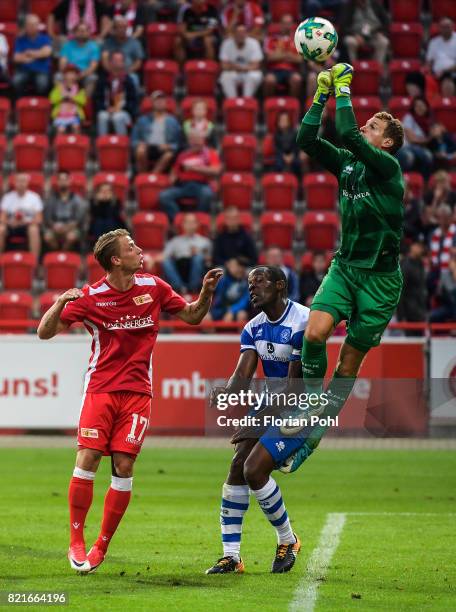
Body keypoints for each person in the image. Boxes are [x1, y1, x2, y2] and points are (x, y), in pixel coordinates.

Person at [36, 228, 223, 573]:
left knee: (123, 467)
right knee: (88, 457)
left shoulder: (154, 287)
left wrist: (207, 294)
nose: (139, 250)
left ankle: (101, 546)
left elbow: (193, 315)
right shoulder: (90, 296)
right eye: (131, 247)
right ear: (116, 260)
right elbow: (44, 332)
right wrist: (61, 302)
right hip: (101, 390)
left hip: (138, 393)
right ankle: (76, 540)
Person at [289, 62, 405, 473]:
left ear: (388, 143)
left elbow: (347, 134)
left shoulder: (388, 169)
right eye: (368, 123)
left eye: (374, 127)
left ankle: (312, 440)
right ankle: (305, 407)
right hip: (346, 268)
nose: (366, 128)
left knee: (348, 366)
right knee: (315, 332)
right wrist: (321, 94)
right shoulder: (349, 164)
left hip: (381, 281)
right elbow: (306, 139)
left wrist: (343, 90)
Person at [205, 266, 309, 574]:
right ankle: (231, 556)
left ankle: (287, 539)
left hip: (301, 407)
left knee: (254, 469)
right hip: (269, 404)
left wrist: (257, 416)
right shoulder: (253, 327)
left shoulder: (304, 320)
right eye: (249, 284)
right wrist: (224, 392)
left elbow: (294, 387)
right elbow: (242, 375)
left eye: (259, 282)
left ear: (280, 285)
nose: (252, 288)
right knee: (238, 466)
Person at [159, 129, 221, 222]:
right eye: (193, 140)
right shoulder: (183, 155)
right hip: (183, 186)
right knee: (164, 196)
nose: (196, 142)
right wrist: (172, 177)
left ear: (202, 140)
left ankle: (198, 221)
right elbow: (175, 171)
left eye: (198, 139)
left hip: (202, 184)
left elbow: (216, 171)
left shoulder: (210, 153)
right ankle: (180, 221)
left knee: (207, 194)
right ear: (189, 142)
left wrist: (194, 169)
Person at [131, 90, 182, 173]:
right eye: (157, 100)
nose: (159, 102)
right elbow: (134, 140)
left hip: (163, 149)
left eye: (162, 100)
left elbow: (178, 144)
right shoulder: (142, 120)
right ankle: (143, 176)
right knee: (140, 151)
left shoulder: (173, 121)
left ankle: (153, 176)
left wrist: (169, 146)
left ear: (165, 103)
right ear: (152, 103)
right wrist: (140, 144)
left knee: (168, 155)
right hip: (148, 147)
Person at [160, 212, 212, 293]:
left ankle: (193, 288)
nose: (190, 225)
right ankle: (180, 288)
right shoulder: (175, 241)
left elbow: (210, 261)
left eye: (193, 222)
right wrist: (152, 260)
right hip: (179, 270)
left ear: (197, 224)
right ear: (183, 224)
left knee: (198, 258)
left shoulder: (205, 241)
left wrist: (200, 253)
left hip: (195, 270)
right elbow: (164, 256)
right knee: (166, 262)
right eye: (188, 222)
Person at [94, 51, 138, 136]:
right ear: (110, 62)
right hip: (106, 110)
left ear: (123, 63)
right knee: (102, 116)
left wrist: (119, 109)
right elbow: (97, 99)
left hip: (124, 111)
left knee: (117, 117)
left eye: (120, 60)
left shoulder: (128, 80)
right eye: (115, 60)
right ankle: (102, 143)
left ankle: (122, 144)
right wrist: (105, 108)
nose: (118, 63)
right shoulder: (103, 80)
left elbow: (133, 101)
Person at [0, 174, 43, 259]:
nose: (21, 183)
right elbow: (2, 217)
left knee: (34, 229)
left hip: (27, 225)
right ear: (15, 183)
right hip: (11, 226)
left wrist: (27, 222)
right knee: (0, 229)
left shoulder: (34, 197)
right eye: (18, 181)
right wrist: (10, 222)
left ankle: (34, 263)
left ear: (27, 183)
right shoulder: (7, 197)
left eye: (23, 181)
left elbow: (39, 219)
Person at [44, 171, 87, 251]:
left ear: (69, 181)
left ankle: (64, 253)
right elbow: (47, 218)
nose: (63, 182)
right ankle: (56, 252)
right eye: (60, 180)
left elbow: (79, 219)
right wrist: (53, 226)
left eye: (65, 179)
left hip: (71, 227)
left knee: (71, 237)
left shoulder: (77, 199)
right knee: (47, 237)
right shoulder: (51, 199)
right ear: (57, 182)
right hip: (54, 227)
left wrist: (67, 227)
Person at [263, 14, 302, 98]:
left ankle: (293, 105)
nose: (286, 26)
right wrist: (288, 55)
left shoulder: (297, 40)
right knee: (269, 80)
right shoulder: (271, 39)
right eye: (284, 23)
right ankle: (269, 105)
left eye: (288, 23)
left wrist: (280, 55)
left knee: (297, 79)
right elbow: (269, 58)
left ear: (292, 25)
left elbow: (299, 59)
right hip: (274, 70)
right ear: (280, 24)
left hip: (291, 70)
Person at [13, 14, 52, 97]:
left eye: (35, 24)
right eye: (30, 25)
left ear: (38, 26)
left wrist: (29, 53)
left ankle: (39, 103)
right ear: (26, 26)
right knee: (16, 80)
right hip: (24, 70)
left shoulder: (45, 38)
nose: (32, 27)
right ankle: (21, 102)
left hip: (41, 70)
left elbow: (47, 53)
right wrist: (39, 54)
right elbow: (16, 58)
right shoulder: (20, 39)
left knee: (42, 83)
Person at [219, 24, 263, 98]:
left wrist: (238, 67)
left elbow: (256, 65)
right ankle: (232, 101)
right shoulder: (226, 43)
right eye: (238, 32)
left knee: (254, 76)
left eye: (243, 32)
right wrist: (239, 68)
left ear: (247, 34)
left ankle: (247, 100)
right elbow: (224, 65)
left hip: (248, 72)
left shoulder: (254, 43)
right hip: (233, 72)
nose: (241, 35)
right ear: (234, 34)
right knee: (225, 76)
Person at [101, 15, 144, 90]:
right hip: (110, 73)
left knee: (134, 78)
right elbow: (104, 59)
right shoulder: (108, 42)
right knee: (101, 80)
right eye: (119, 27)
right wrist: (113, 72)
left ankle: (132, 101)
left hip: (128, 73)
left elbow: (138, 62)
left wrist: (126, 72)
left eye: (124, 27)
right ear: (114, 29)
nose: (122, 29)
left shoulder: (134, 42)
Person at [340, 0, 389, 65]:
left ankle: (377, 68)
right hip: (356, 35)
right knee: (350, 42)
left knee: (383, 42)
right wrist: (355, 35)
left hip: (373, 34)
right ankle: (354, 69)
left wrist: (381, 32)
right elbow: (343, 26)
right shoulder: (349, 6)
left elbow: (386, 21)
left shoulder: (375, 4)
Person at [59, 21, 101, 96]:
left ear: (89, 33)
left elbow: (93, 66)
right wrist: (67, 73)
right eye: (80, 31)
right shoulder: (67, 45)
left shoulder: (93, 46)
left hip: (85, 73)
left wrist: (81, 75)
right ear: (74, 33)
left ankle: (85, 103)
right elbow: (62, 63)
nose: (82, 33)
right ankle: (63, 101)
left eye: (85, 31)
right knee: (58, 77)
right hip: (69, 72)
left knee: (92, 78)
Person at [397, 97, 434, 179]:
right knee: (409, 156)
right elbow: (412, 139)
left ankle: (424, 183)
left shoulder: (429, 120)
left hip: (419, 147)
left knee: (429, 156)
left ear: (426, 107)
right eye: (417, 106)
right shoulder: (409, 118)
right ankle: (405, 181)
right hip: (405, 146)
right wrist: (429, 139)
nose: (419, 108)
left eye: (421, 105)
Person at [397, 242, 427, 335]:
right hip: (409, 313)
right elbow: (400, 291)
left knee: (420, 344)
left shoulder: (420, 264)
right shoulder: (406, 266)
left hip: (420, 311)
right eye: (418, 246)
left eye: (422, 247)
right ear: (412, 246)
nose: (421, 249)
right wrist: (401, 316)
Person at [208, 257, 250, 322]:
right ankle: (212, 332)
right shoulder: (222, 280)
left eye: (239, 266)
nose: (238, 269)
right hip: (221, 309)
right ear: (228, 266)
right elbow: (217, 299)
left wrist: (231, 310)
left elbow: (244, 301)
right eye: (234, 266)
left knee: (242, 315)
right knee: (206, 317)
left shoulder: (247, 283)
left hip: (237, 310)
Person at [50, 65, 86, 134]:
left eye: (73, 74)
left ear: (77, 76)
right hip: (61, 115)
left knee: (76, 127)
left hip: (74, 115)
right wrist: (62, 97)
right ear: (64, 75)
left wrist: (73, 98)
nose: (71, 76)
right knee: (61, 129)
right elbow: (52, 100)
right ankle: (59, 144)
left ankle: (76, 143)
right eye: (68, 74)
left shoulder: (80, 89)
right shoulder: (58, 87)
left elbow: (83, 101)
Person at [273, 111, 303, 176]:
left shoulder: (294, 134)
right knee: (278, 163)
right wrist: (283, 156)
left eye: (285, 120)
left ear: (289, 122)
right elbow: (277, 148)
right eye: (281, 120)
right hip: (281, 155)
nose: (283, 122)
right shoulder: (276, 135)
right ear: (278, 122)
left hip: (292, 155)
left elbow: (296, 147)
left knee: (298, 163)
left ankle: (297, 181)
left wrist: (292, 155)